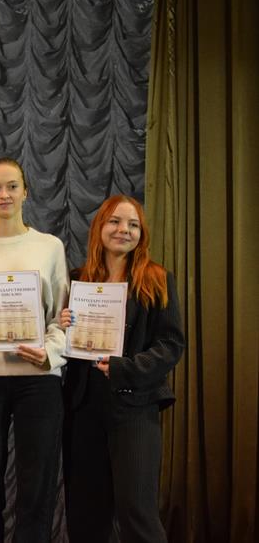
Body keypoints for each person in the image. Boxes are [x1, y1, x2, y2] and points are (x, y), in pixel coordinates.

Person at [0, 157, 69, 543]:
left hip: (38, 380)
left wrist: (49, 353)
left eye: (12, 186)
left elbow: (63, 318)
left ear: (25, 192)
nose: (4, 194)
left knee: (36, 488)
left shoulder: (50, 247)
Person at [60, 195, 184, 543]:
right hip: (83, 408)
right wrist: (62, 324)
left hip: (134, 408)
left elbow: (171, 344)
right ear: (100, 227)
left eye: (133, 225)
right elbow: (62, 347)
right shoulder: (77, 280)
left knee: (137, 513)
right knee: (85, 515)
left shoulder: (157, 279)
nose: (123, 230)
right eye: (115, 221)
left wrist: (126, 368)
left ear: (141, 234)